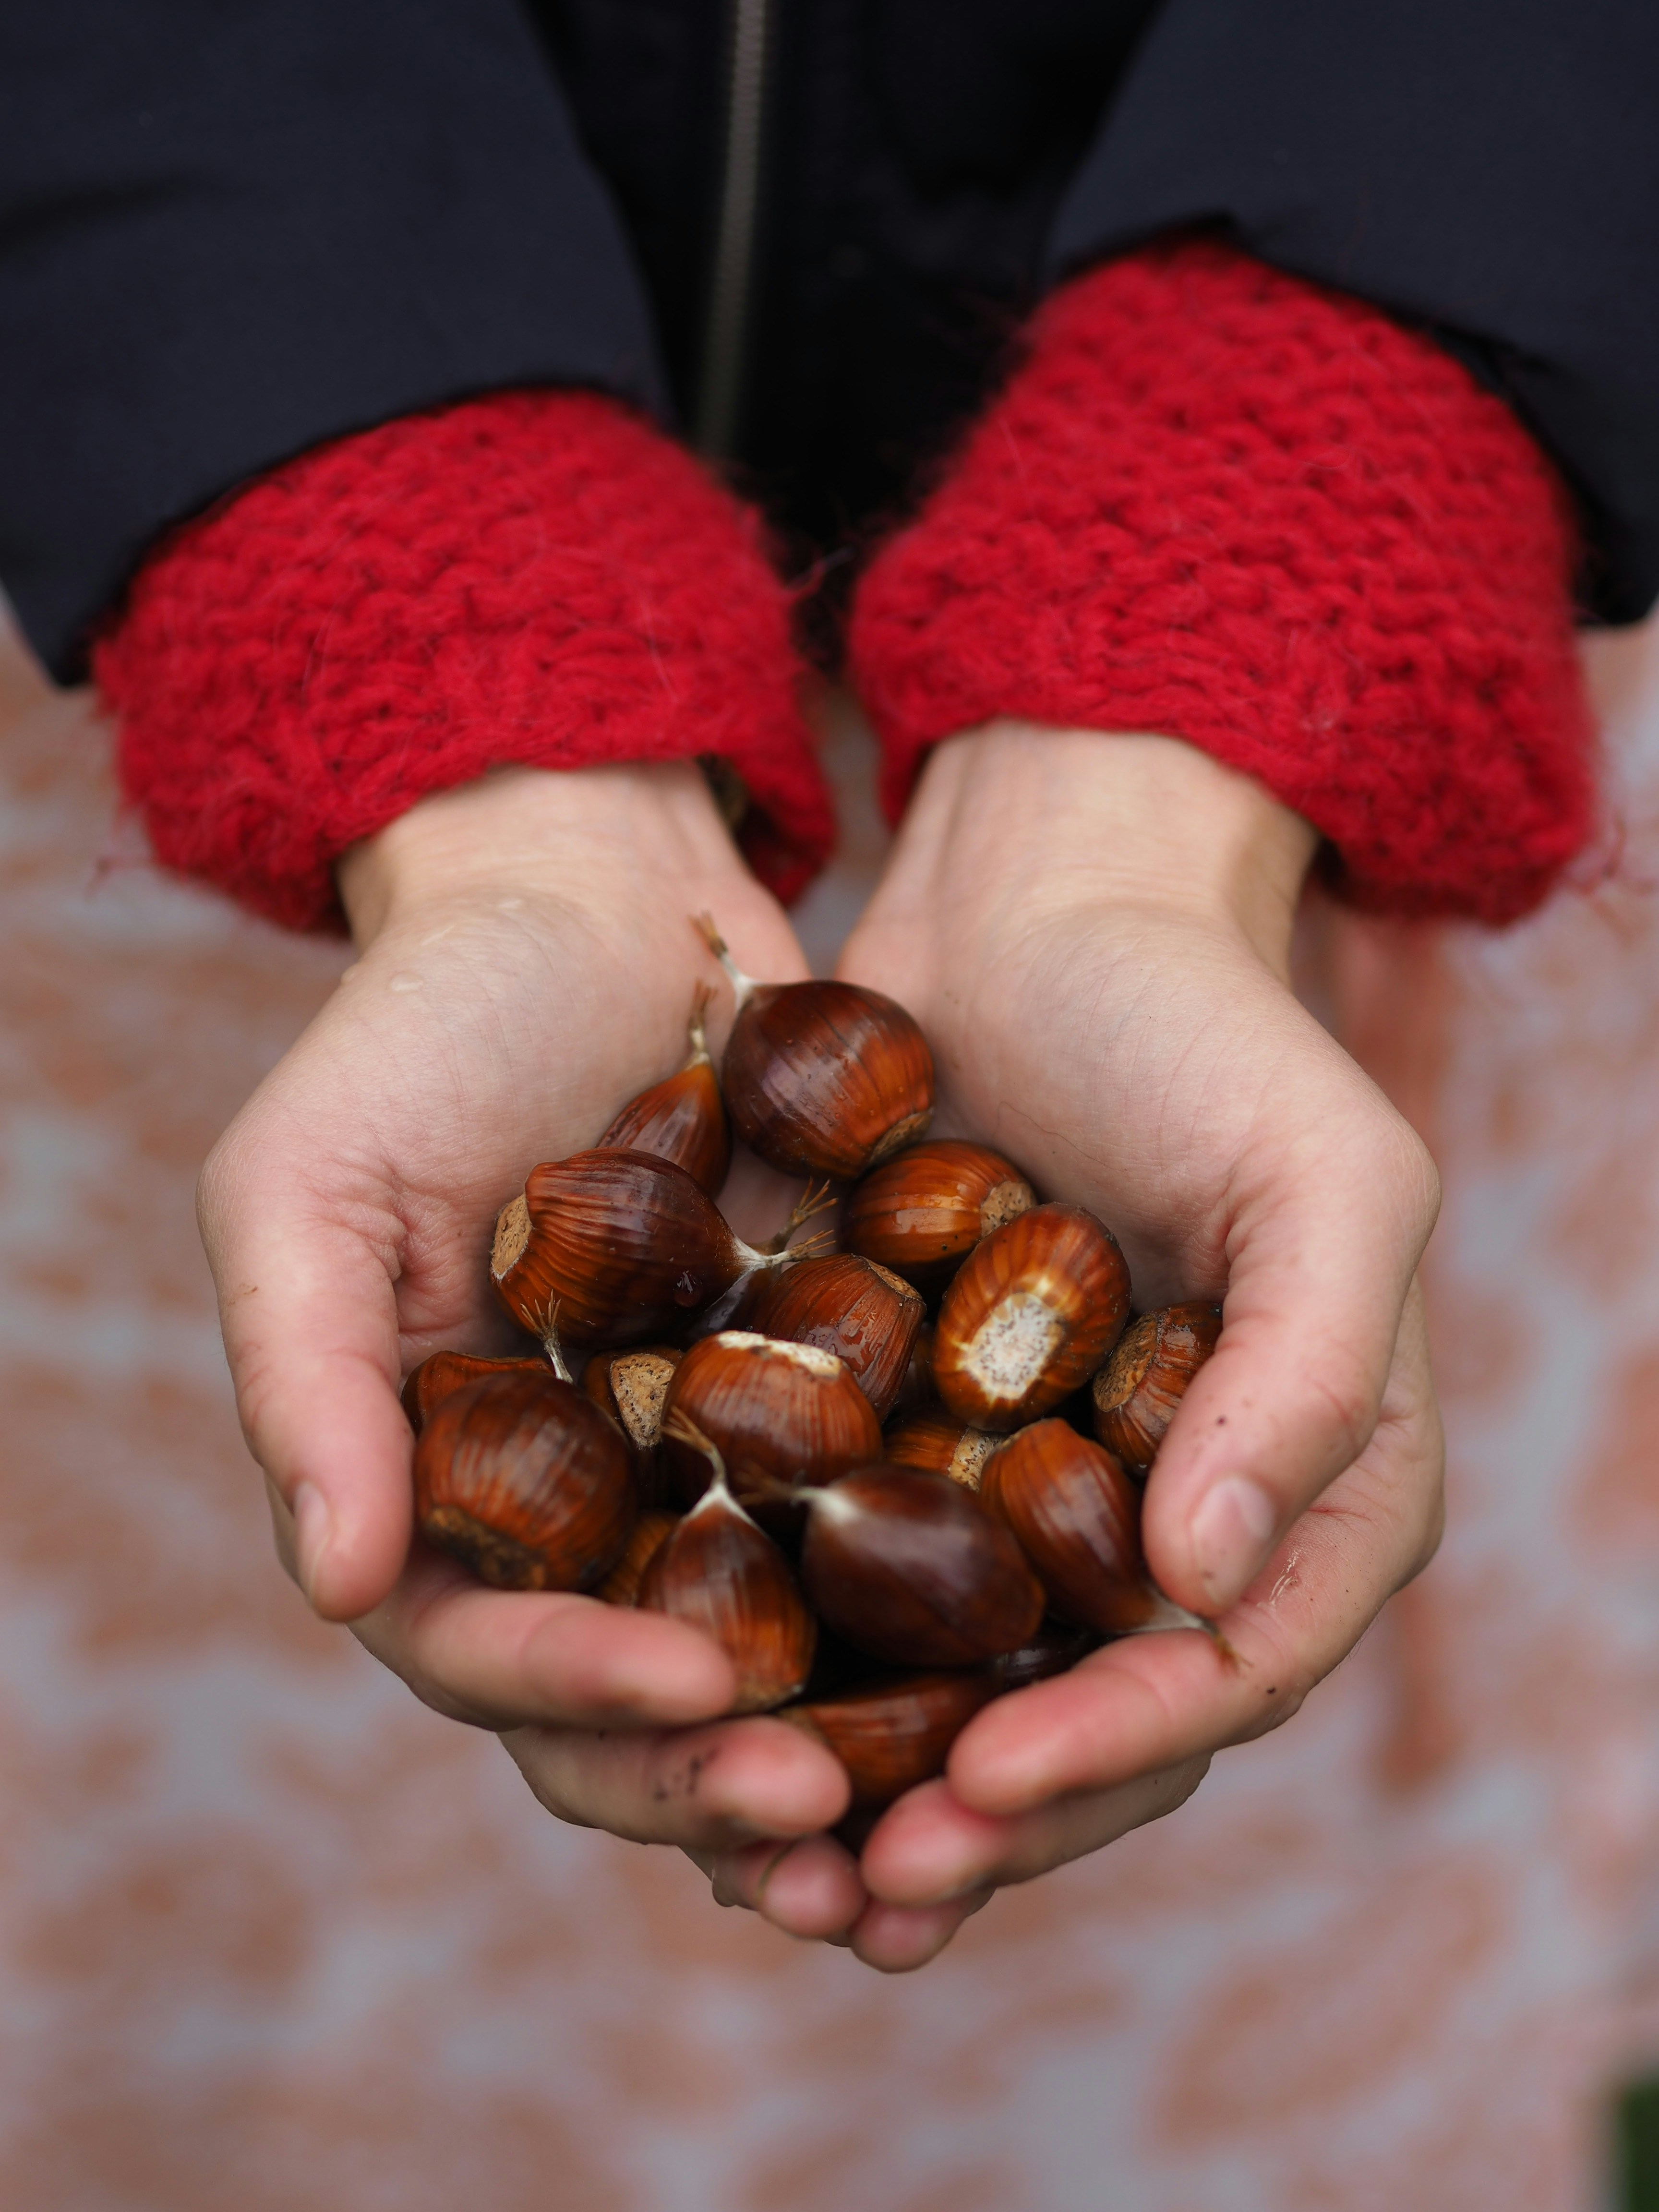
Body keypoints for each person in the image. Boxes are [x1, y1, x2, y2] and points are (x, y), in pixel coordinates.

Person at [2, 0, 1653, 1972]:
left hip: (1309, 672)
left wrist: (1287, 502)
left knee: (1240, 1751)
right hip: (272, 669)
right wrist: (423, 631)